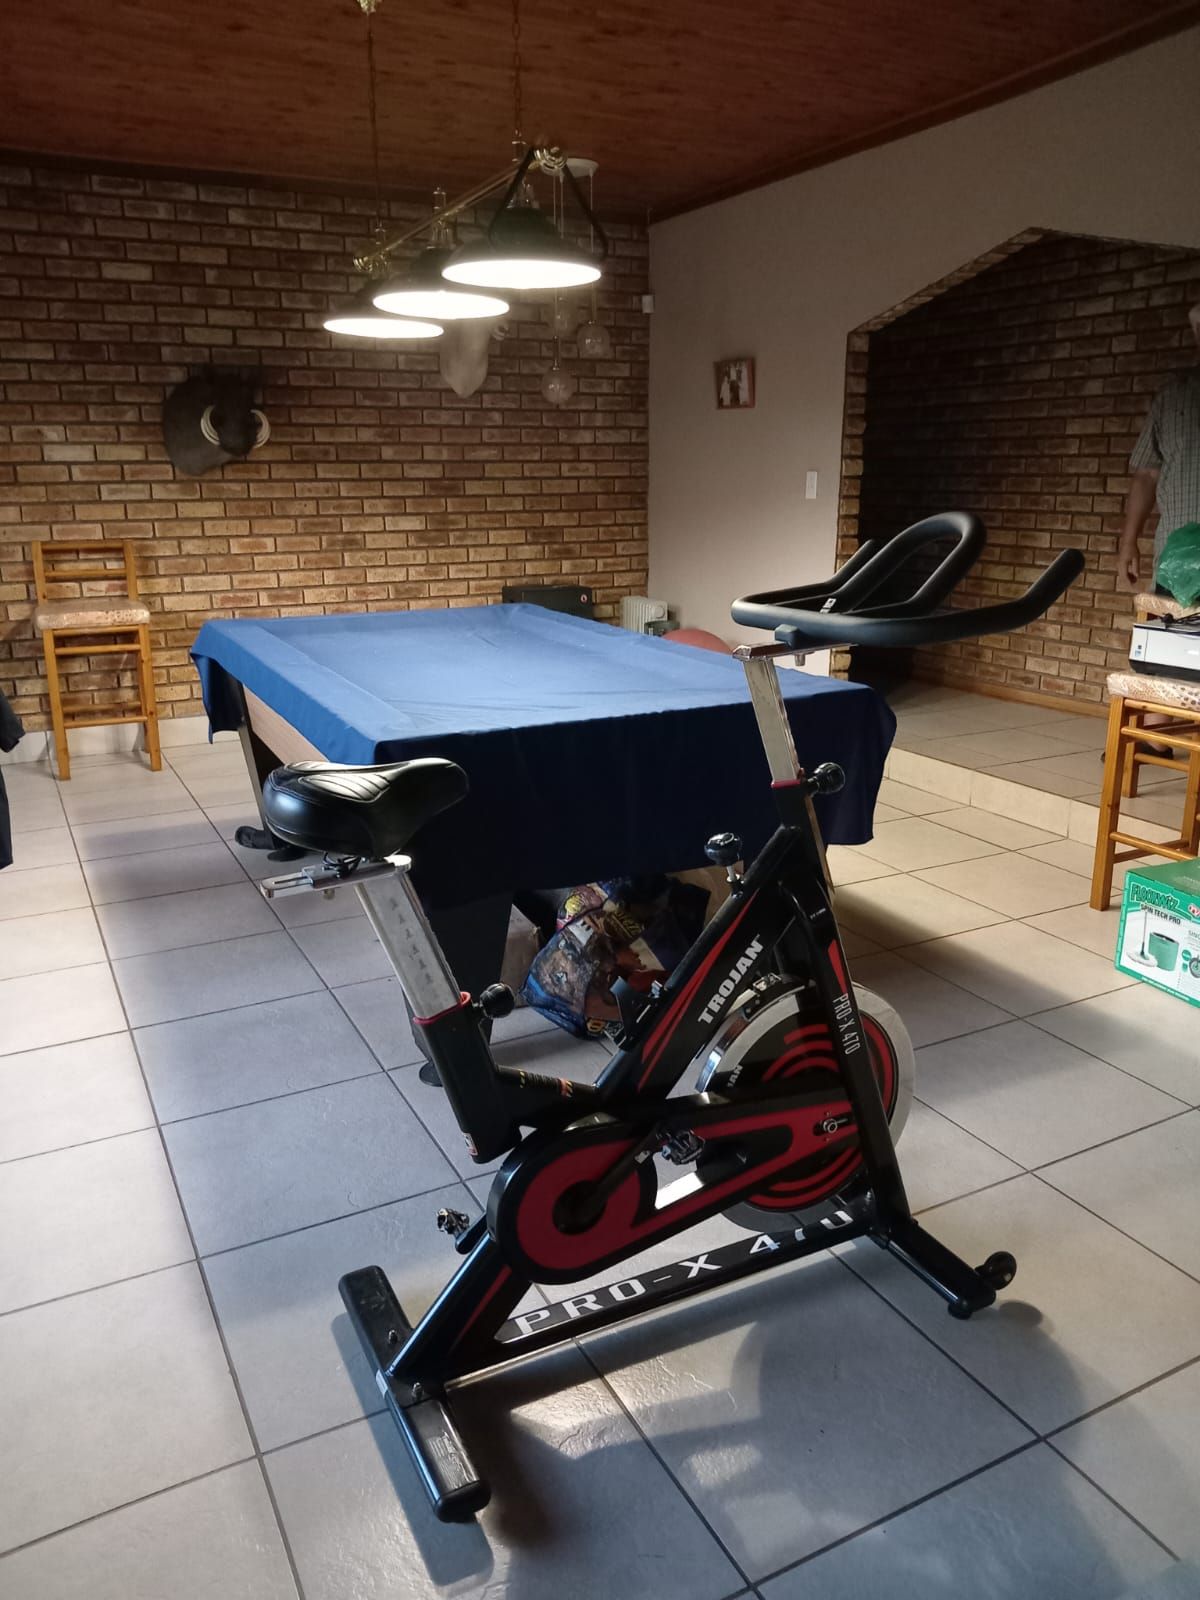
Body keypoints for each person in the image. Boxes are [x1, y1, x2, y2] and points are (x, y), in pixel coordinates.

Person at [1119, 302, 1200, 589]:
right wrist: (1129, 542)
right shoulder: (1171, 398)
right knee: (1167, 620)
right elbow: (1146, 474)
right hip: (1176, 563)